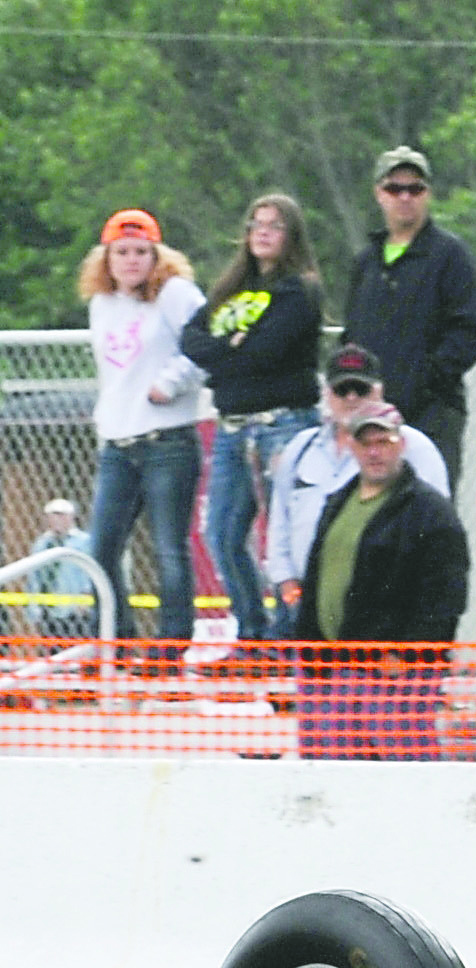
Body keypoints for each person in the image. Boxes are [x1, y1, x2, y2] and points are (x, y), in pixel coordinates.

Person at [181, 193, 324, 644]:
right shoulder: (231, 290)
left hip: (284, 425)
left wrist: (229, 355)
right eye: (256, 223)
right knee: (220, 533)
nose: (262, 232)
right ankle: (252, 632)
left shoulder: (298, 290)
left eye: (274, 225)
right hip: (232, 429)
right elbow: (191, 337)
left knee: (285, 535)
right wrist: (233, 349)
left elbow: (267, 351)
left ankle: (289, 635)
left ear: (291, 235)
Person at [292, 403, 467, 758]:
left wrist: (407, 656)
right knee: (329, 771)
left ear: (401, 444)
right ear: (352, 447)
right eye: (366, 443)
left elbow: (445, 597)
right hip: (329, 667)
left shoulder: (429, 512)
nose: (374, 452)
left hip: (390, 674)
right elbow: (316, 576)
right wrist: (308, 651)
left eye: (384, 442)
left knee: (402, 767)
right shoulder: (338, 502)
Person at [80, 207, 206, 659]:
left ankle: (171, 649)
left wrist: (170, 383)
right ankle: (117, 642)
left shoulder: (175, 294)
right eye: (121, 252)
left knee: (169, 548)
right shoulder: (102, 304)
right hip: (118, 443)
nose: (131, 261)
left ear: (157, 255)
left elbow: (205, 346)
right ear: (106, 258)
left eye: (140, 252)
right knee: (101, 549)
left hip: (166, 440)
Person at [266, 344, 451, 633]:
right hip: (310, 608)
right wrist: (288, 585)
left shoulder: (414, 449)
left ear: (379, 391)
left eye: (361, 390)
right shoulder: (301, 448)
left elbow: (438, 535)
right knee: (315, 679)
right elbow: (279, 522)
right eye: (342, 390)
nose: (351, 398)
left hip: (386, 612)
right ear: (327, 394)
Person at [338, 147, 476, 483]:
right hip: (369, 422)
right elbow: (350, 337)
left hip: (431, 418)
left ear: (428, 194)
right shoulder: (366, 263)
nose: (405, 197)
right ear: (379, 194)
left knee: (428, 520)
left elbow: (471, 332)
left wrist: (424, 381)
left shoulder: (449, 256)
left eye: (415, 189)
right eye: (395, 189)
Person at [16, 497, 99, 635]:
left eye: (61, 515)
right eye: (52, 515)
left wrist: (85, 599)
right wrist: (33, 607)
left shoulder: (84, 542)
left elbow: (91, 572)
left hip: (75, 609)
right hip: (47, 609)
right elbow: (34, 577)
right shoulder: (42, 543)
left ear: (71, 517)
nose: (56, 519)